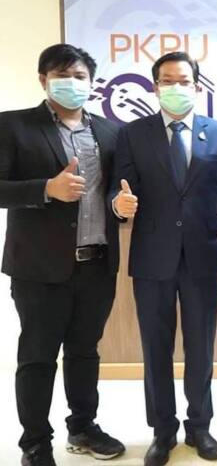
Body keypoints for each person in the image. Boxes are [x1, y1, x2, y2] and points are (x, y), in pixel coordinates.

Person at [110, 51, 217, 466]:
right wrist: (119, 205)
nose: (176, 87)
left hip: (204, 255)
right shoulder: (133, 134)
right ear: (155, 87)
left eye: (184, 81)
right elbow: (118, 189)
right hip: (152, 257)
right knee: (156, 348)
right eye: (167, 81)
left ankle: (200, 426)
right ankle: (162, 430)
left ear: (197, 87)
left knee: (201, 348)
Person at [0, 44, 125, 466]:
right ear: (43, 80)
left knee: (85, 352)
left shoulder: (110, 132)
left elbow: (114, 190)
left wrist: (120, 205)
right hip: (39, 268)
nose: (71, 82)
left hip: (98, 263)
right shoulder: (12, 126)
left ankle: (83, 427)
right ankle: (35, 443)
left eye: (79, 76)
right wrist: (44, 189)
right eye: (61, 74)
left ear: (92, 82)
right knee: (37, 357)